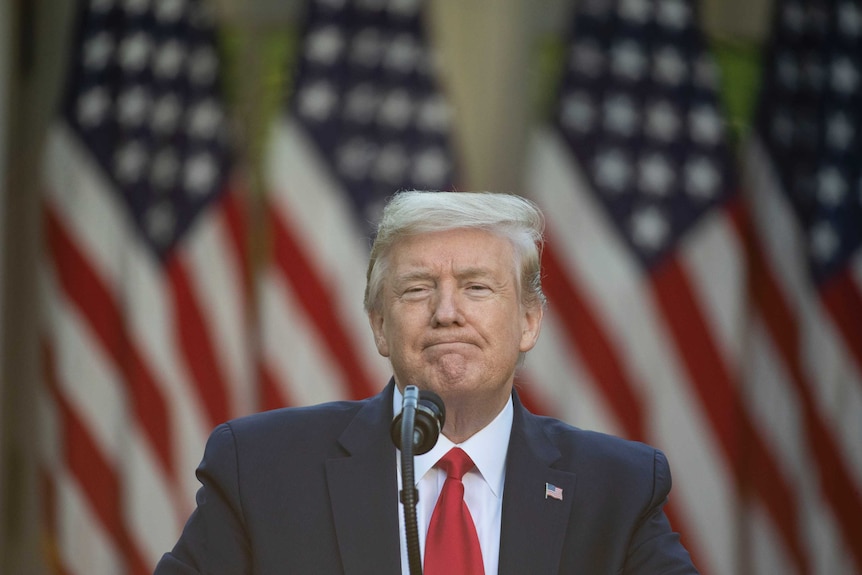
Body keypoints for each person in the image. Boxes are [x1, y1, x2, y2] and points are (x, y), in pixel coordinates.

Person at [154, 190, 698, 574]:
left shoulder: (619, 489)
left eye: (477, 287)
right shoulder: (261, 468)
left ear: (529, 321)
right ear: (379, 327)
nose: (446, 312)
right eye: (417, 289)